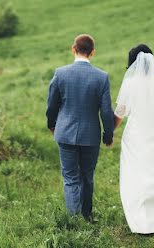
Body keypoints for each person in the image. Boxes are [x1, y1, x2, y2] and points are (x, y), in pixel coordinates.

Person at [46, 34, 114, 222]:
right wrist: (108, 135)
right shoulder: (102, 77)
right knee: (87, 176)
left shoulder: (60, 73)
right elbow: (107, 111)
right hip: (90, 136)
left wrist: (52, 125)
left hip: (65, 133)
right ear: (93, 52)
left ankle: (74, 220)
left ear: (73, 49)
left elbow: (51, 105)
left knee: (70, 178)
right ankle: (87, 216)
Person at [113, 44, 154, 234]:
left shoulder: (130, 83)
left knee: (135, 173)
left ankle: (138, 217)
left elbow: (120, 113)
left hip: (135, 135)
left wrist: (108, 132)